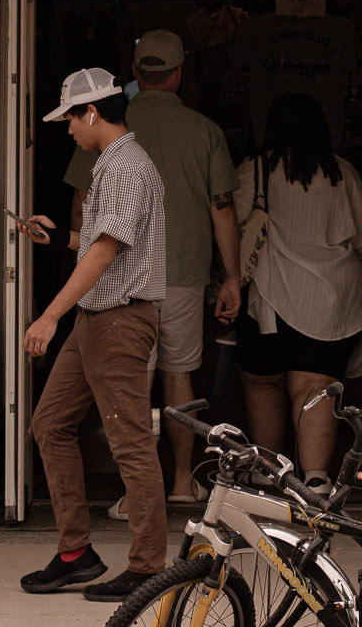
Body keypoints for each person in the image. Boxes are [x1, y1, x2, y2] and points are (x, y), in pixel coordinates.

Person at [65, 30, 239, 506]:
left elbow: (81, 205)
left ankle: (134, 492)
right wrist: (232, 276)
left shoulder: (109, 124)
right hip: (183, 271)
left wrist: (84, 262)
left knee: (133, 382)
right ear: (181, 73)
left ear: (136, 73)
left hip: (122, 276)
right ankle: (183, 482)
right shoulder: (204, 131)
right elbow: (222, 208)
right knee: (178, 378)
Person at [17, 68, 168, 602]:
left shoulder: (125, 166)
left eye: (70, 119)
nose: (67, 131)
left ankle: (149, 567)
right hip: (99, 318)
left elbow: (105, 253)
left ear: (92, 112)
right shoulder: (113, 163)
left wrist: (50, 314)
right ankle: (76, 555)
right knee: (50, 424)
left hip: (118, 319)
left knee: (129, 444)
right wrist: (60, 235)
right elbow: (104, 242)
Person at [233, 92, 362, 494]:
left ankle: (267, 469)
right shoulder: (342, 173)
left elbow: (230, 229)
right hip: (333, 300)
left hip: (270, 299)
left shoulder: (255, 170)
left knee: (263, 383)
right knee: (315, 389)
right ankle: (316, 479)